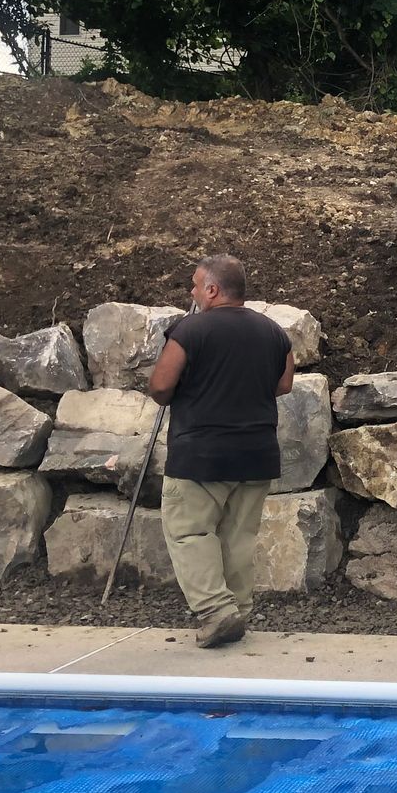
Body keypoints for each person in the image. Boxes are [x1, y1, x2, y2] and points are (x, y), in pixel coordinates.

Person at [146, 255, 294, 648]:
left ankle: (215, 610)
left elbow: (160, 386)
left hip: (201, 453)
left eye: (196, 285)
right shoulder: (275, 332)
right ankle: (238, 612)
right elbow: (284, 384)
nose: (192, 293)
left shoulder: (190, 330)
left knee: (189, 531)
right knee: (239, 536)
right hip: (257, 452)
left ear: (212, 290)